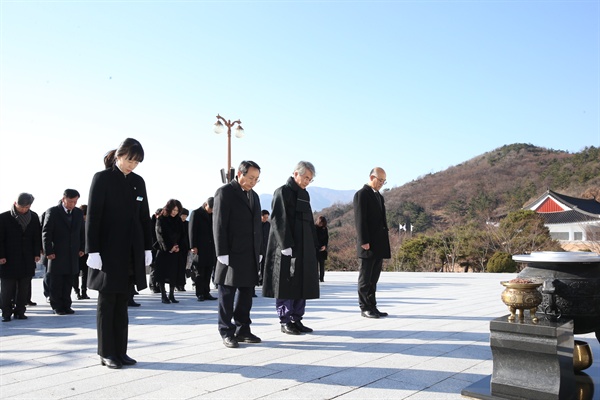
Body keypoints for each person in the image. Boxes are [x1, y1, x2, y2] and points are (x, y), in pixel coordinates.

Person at [86, 138, 153, 369]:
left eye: (136, 162)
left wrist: (147, 247)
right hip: (107, 249)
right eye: (129, 160)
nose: (132, 165)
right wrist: (92, 250)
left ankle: (121, 351)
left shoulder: (138, 182)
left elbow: (144, 215)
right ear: (119, 156)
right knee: (107, 301)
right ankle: (106, 352)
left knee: (123, 300)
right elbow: (93, 217)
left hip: (131, 250)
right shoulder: (102, 178)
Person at [263, 161, 320, 335]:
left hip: (304, 247)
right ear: (296, 174)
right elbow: (279, 220)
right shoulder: (282, 192)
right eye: (305, 177)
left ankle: (297, 319)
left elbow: (309, 221)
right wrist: (285, 244)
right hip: (286, 247)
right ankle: (285, 320)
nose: (307, 182)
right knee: (286, 284)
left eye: (310, 179)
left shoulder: (305, 194)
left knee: (301, 283)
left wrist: (314, 244)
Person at [213, 160, 263, 348]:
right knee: (227, 293)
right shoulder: (225, 192)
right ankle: (226, 330)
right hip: (231, 252)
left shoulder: (255, 196)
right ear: (240, 174)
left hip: (249, 252)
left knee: (246, 294)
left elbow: (257, 226)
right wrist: (221, 252)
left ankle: (243, 329)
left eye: (257, 179)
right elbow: (219, 224)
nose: (253, 182)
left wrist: (259, 250)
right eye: (251, 177)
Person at [353, 167, 391, 319]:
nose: (382, 183)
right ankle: (364, 307)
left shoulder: (379, 196)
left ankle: (373, 306)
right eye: (380, 180)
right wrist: (364, 241)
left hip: (379, 243)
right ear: (371, 177)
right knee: (365, 278)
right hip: (368, 244)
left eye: (384, 181)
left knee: (374, 278)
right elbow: (360, 219)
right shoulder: (362, 194)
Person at [42, 189, 85, 315]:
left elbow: (81, 232)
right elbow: (46, 233)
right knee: (56, 281)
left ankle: (67, 305)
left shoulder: (77, 213)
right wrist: (48, 251)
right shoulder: (53, 212)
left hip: (73, 253)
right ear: (63, 199)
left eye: (75, 201)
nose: (73, 204)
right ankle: (57, 306)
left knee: (68, 280)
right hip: (56, 253)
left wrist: (82, 248)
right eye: (70, 201)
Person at [0, 193, 41, 322]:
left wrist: (36, 253)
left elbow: (36, 237)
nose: (23, 209)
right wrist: (1, 255)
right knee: (7, 288)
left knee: (24, 287)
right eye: (21, 206)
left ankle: (20, 311)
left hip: (27, 258)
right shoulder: (4, 217)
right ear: (15, 203)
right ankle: (6, 312)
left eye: (26, 207)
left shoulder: (33, 217)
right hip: (8, 258)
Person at [154, 199, 184, 304]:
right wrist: (168, 247)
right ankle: (163, 295)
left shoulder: (178, 220)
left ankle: (171, 294)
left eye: (177, 210)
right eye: (173, 210)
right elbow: (160, 235)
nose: (174, 212)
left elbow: (182, 235)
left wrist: (178, 246)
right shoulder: (161, 219)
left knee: (173, 273)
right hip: (163, 250)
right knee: (162, 274)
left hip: (175, 250)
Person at [189, 197, 217, 302]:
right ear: (205, 205)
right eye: (210, 208)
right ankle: (200, 293)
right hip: (200, 247)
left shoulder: (213, 215)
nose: (211, 210)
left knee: (209, 270)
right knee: (200, 272)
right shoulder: (196, 214)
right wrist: (193, 246)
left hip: (210, 247)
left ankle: (207, 292)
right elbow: (192, 230)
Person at [73, 204, 90, 300]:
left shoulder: (88, 223)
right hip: (77, 251)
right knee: (76, 273)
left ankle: (82, 291)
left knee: (84, 273)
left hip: (85, 251)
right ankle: (78, 291)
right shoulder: (77, 223)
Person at [148, 208, 162, 293]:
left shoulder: (161, 222)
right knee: (153, 268)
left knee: (159, 268)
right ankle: (152, 285)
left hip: (159, 248)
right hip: (152, 248)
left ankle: (157, 285)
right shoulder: (151, 223)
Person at [176, 208, 190, 292]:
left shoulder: (188, 224)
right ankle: (176, 285)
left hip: (185, 248)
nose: (184, 217)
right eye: (182, 216)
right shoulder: (177, 223)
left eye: (185, 216)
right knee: (177, 267)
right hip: (177, 248)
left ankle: (182, 284)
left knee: (184, 268)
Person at [315, 215, 329, 283]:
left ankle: (321, 278)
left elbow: (327, 238)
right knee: (315, 264)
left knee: (322, 264)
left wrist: (325, 246)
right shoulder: (314, 228)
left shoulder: (325, 229)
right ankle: (316, 277)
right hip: (316, 248)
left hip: (323, 248)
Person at [259, 209, 270, 286]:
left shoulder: (268, 225)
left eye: (267, 217)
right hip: (258, 248)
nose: (266, 219)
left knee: (264, 265)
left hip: (265, 248)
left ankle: (263, 280)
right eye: (264, 217)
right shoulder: (257, 224)